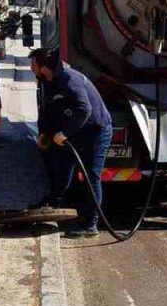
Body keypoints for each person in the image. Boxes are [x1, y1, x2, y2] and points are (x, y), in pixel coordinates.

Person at [30, 47, 113, 239]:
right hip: (73, 131)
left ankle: (90, 224)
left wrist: (65, 133)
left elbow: (85, 109)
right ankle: (53, 204)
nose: (31, 68)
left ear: (44, 67)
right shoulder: (46, 81)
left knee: (91, 177)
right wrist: (44, 133)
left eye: (33, 64)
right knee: (62, 167)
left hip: (95, 131)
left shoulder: (70, 80)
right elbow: (46, 109)